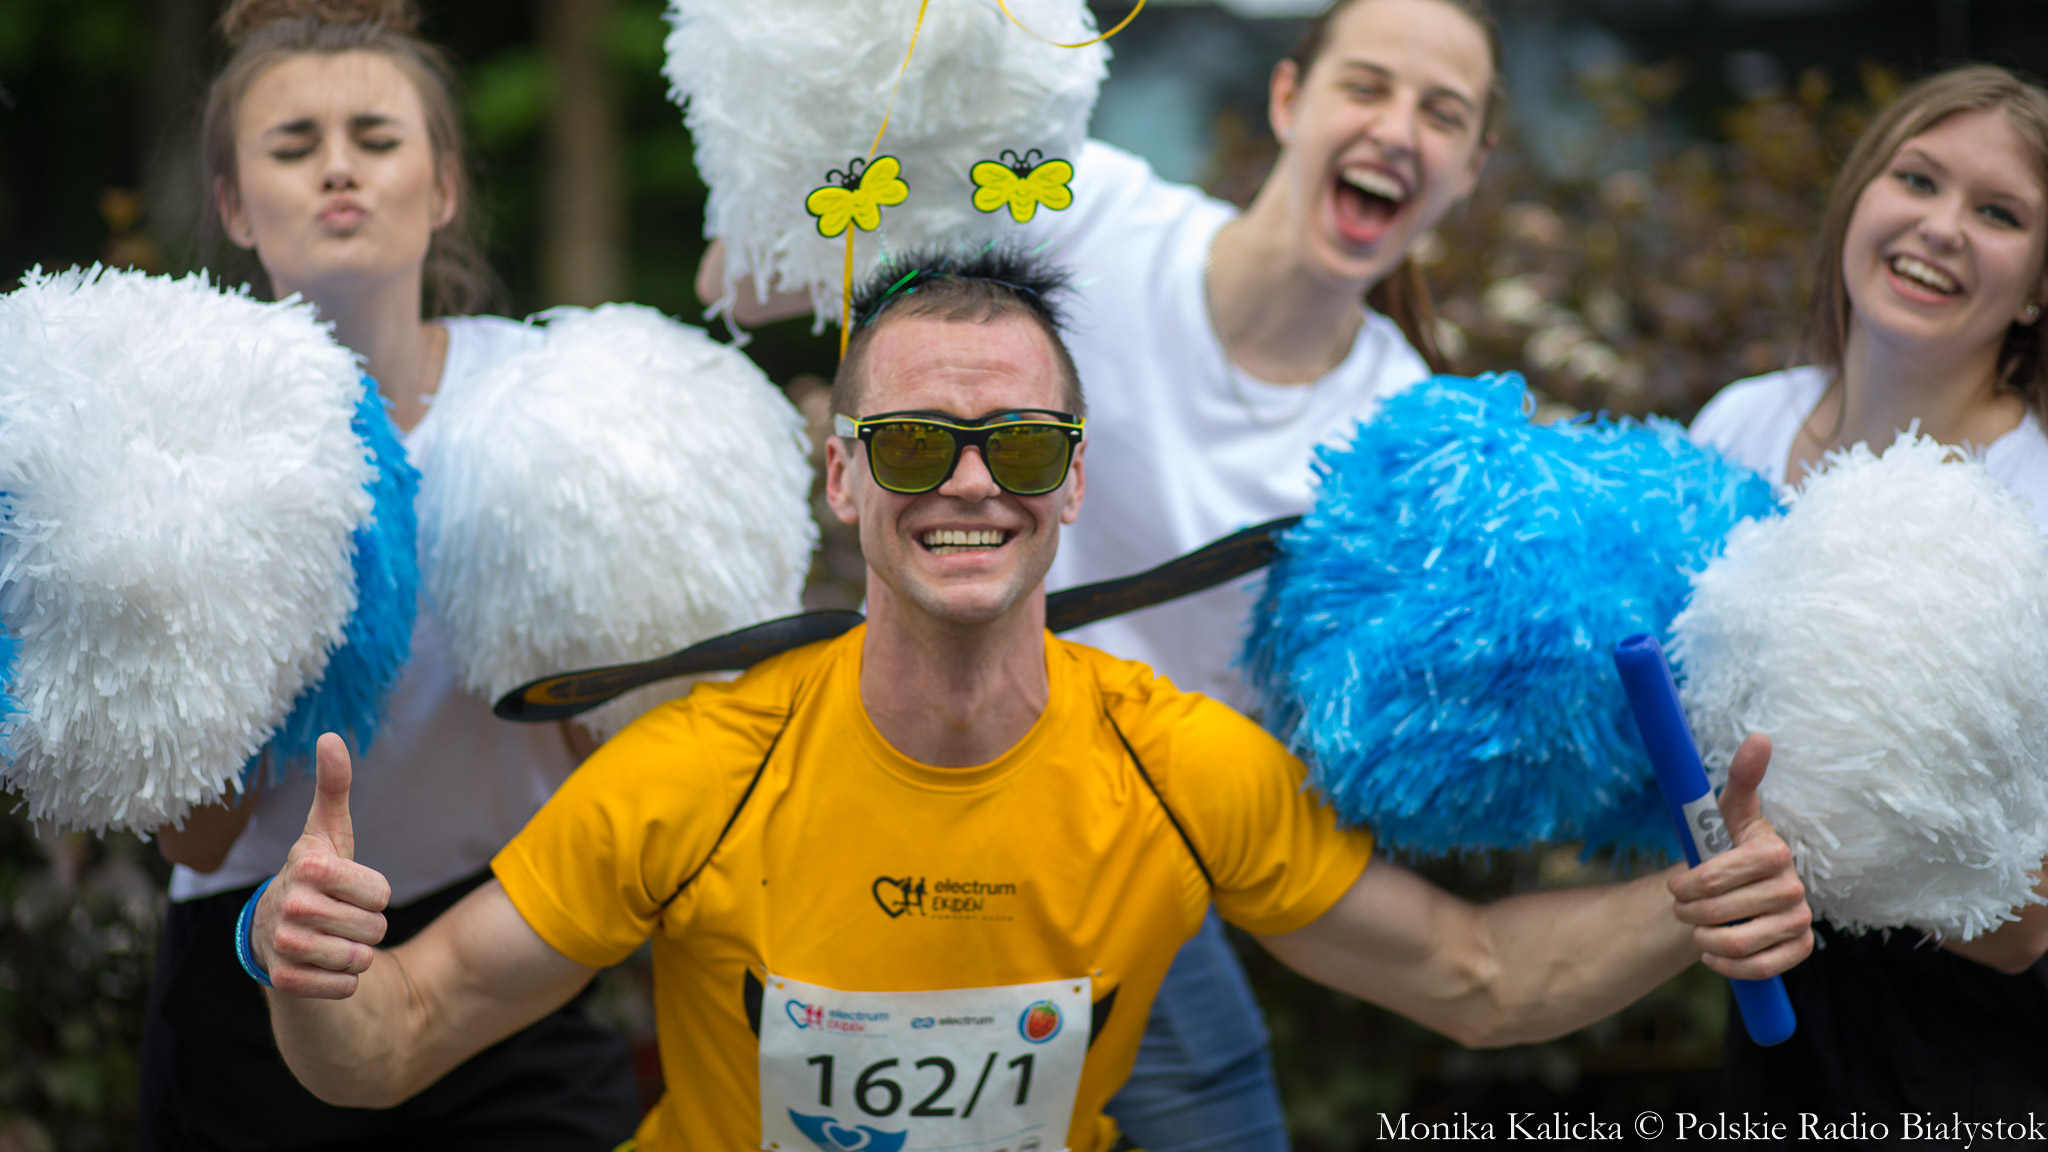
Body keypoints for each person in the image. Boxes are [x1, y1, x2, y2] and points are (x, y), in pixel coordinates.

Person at [245, 248, 1814, 1152]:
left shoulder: (1178, 762)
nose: (973, 483)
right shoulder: (698, 770)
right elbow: (391, 1041)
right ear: (846, 473)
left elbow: (1475, 978)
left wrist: (1698, 903)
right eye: (920, 443)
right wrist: (304, 968)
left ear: (1076, 486)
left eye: (1025, 447)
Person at [698, 4, 1502, 1143]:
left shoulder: (1409, 434)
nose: (1396, 131)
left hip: (1121, 864)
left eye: (1441, 113)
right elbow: (738, 281)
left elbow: (1356, 741)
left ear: (1469, 167)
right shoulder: (1090, 204)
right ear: (1287, 100)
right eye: (1366, 87)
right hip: (896, 788)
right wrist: (879, 115)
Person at [139, 2, 639, 1148]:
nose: (337, 171)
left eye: (374, 136)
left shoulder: (564, 409)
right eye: (290, 145)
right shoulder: (169, 435)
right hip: (258, 961)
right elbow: (194, 839)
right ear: (232, 204)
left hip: (513, 951)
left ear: (444, 186)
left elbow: (615, 758)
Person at [1689, 63, 2048, 1120]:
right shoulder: (1734, 428)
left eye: (1997, 212)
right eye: (1915, 179)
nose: (1940, 226)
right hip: (1764, 1003)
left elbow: (2026, 918)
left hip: (1978, 1039)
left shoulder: (2033, 497)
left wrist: (1796, 855)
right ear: (1856, 198)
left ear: (2037, 284)